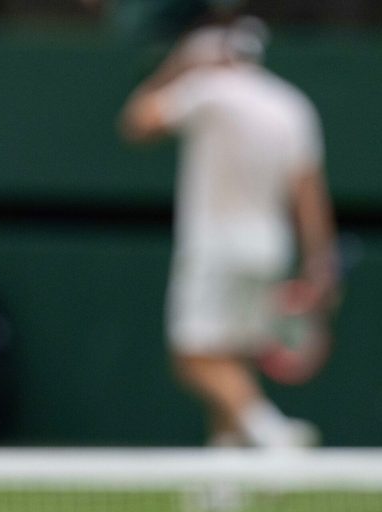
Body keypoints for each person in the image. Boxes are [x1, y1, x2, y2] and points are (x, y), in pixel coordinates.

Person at [119, 16, 339, 447]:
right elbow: (309, 196)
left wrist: (176, 66)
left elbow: (136, 123)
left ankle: (272, 433)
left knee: (193, 359)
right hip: (270, 250)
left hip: (215, 249)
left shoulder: (208, 91)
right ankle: (225, 472)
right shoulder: (291, 105)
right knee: (232, 361)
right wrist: (320, 263)